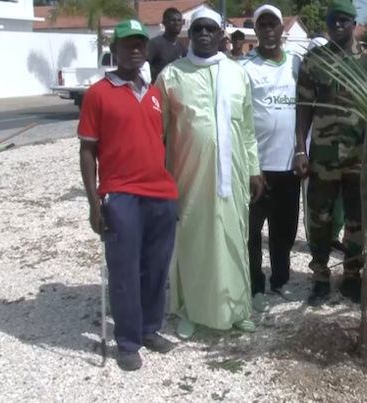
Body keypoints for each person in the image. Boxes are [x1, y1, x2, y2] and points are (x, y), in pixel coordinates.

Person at [156, 8, 264, 339]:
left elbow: (246, 129)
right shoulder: (172, 75)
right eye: (198, 29)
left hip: (233, 175)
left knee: (234, 240)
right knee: (194, 241)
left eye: (210, 29)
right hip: (189, 177)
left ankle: (237, 308)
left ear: (221, 35)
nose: (204, 34)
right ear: (190, 34)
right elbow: (157, 133)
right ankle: (192, 310)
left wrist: (255, 170)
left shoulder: (237, 74)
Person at [78, 19, 179, 371]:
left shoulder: (153, 93)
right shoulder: (98, 93)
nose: (135, 49)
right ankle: (127, 340)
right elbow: (87, 151)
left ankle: (150, 329)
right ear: (114, 50)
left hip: (161, 194)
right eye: (127, 44)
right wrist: (94, 204)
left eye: (140, 43)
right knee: (124, 271)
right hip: (121, 195)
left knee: (156, 269)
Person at [294, 0, 367, 307]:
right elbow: (303, 108)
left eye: (344, 20)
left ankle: (353, 276)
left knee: (357, 219)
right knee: (320, 219)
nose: (337, 26)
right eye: (332, 21)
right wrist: (300, 150)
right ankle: (319, 277)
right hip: (323, 157)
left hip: (361, 155)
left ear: (354, 23)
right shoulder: (314, 61)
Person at [239, 5, 302, 313]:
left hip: (288, 166)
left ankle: (280, 281)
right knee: (253, 233)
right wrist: (250, 166)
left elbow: (305, 110)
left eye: (272, 24)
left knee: (285, 231)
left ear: (281, 30)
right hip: (257, 169)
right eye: (261, 24)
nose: (267, 29)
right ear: (257, 30)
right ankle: (255, 286)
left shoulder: (297, 65)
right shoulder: (245, 67)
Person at [302, 34, 347, 254]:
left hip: (341, 151)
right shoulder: (308, 72)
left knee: (339, 202)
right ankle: (314, 239)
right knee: (315, 202)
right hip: (315, 147)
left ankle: (334, 235)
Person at [147, 7, 187, 84]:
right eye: (173, 20)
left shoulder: (182, 47)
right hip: (158, 90)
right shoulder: (154, 44)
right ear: (164, 23)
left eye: (179, 21)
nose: (177, 23)